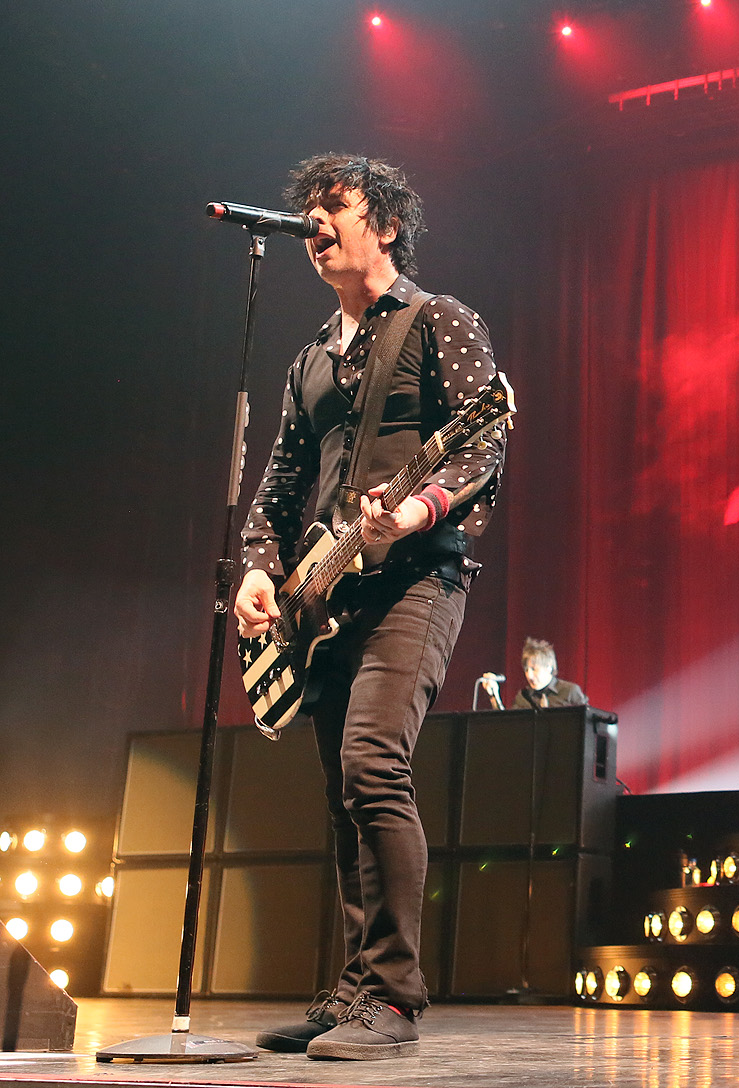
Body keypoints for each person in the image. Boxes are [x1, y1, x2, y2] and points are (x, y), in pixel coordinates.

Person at [233, 154, 505, 1061]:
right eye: (307, 211)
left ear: (384, 224)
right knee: (343, 792)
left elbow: (482, 443)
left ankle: (391, 996)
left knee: (372, 767)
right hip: (323, 597)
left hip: (415, 579)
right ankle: (352, 991)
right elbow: (279, 483)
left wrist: (420, 508)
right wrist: (260, 569)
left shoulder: (439, 320)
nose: (315, 224)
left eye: (335, 207)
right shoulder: (309, 359)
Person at [510, 636, 588, 709]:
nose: (529, 676)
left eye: (534, 669)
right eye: (526, 670)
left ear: (549, 668)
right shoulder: (523, 696)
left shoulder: (570, 691)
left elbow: (586, 716)